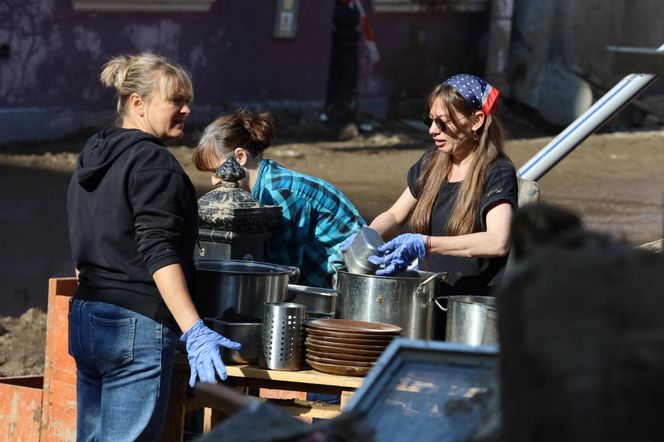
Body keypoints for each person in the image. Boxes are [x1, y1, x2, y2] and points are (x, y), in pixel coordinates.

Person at [66, 53, 240, 441]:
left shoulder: (90, 159)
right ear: (137, 103)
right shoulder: (153, 163)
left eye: (186, 101)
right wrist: (194, 328)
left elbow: (83, 246)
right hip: (134, 324)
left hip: (86, 315)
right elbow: (158, 250)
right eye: (175, 101)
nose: (186, 110)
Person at [365, 74, 518, 295]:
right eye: (430, 121)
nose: (432, 131)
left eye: (442, 123)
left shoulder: (497, 172)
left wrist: (426, 243)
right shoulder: (432, 162)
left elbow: (497, 241)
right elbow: (395, 215)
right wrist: (365, 238)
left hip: (470, 307)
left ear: (476, 121)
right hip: (428, 297)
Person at [192, 108, 365, 288]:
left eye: (215, 170)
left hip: (348, 280)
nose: (213, 181)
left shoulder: (278, 194)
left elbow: (284, 272)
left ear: (240, 157)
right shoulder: (266, 183)